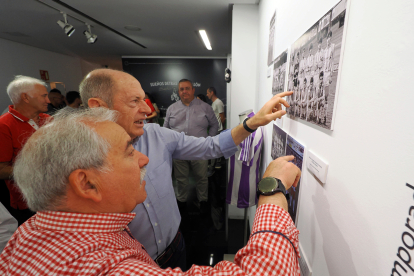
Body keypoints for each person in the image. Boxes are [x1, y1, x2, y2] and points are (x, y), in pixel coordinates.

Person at [0, 107, 301, 275]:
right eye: (128, 152)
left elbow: (210, 146)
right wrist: (271, 189)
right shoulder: (105, 267)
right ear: (86, 183)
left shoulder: (28, 234)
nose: (144, 158)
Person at [79, 69, 293, 270]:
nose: (147, 109)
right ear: (99, 106)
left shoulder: (156, 135)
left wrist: (252, 123)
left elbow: (212, 145)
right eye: (134, 101)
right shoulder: (77, 161)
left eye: (143, 100)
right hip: (133, 263)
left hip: (176, 247)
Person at [0, 75, 50, 225]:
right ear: (25, 98)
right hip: (27, 201)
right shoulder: (4, 125)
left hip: (52, 194)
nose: (48, 100)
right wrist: (39, 170)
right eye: (44, 96)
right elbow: (1, 170)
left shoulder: (48, 119)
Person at [164, 79, 219, 216]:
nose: (184, 91)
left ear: (193, 90)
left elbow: (215, 125)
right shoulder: (172, 109)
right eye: (182, 89)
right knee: (181, 180)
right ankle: (181, 205)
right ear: (179, 92)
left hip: (199, 151)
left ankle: (203, 203)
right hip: (179, 152)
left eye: (187, 88)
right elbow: (165, 129)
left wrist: (208, 141)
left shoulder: (205, 107)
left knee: (201, 178)